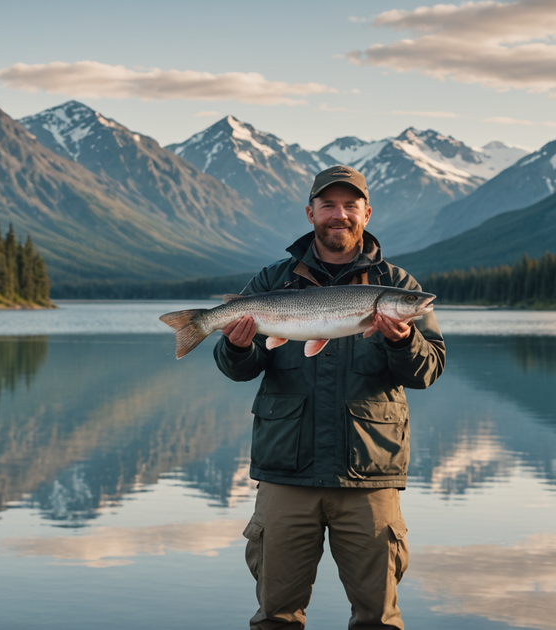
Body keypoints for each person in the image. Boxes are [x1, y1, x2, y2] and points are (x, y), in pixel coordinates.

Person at [214, 165, 446, 630]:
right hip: (286, 473)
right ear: (310, 213)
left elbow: (428, 370)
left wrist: (403, 340)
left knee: (377, 620)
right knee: (276, 617)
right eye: (328, 206)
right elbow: (238, 370)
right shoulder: (273, 280)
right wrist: (237, 345)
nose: (339, 214)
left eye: (349, 205)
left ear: (366, 212)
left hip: (368, 476)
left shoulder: (398, 284)